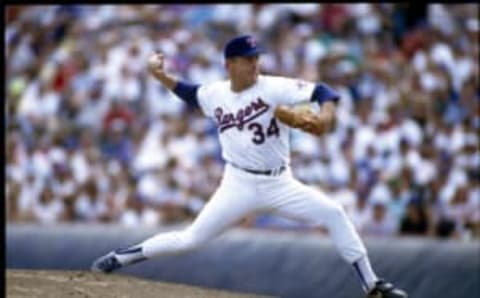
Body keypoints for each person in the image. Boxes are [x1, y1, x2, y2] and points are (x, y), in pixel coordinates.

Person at [91, 35, 408, 298]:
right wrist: (160, 76)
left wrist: (324, 116)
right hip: (237, 184)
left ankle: (372, 285)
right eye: (247, 59)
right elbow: (189, 93)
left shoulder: (273, 87)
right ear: (229, 65)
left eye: (256, 57)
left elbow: (324, 91)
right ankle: (120, 257)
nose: (255, 63)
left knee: (334, 212)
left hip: (280, 183)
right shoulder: (215, 93)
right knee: (191, 240)